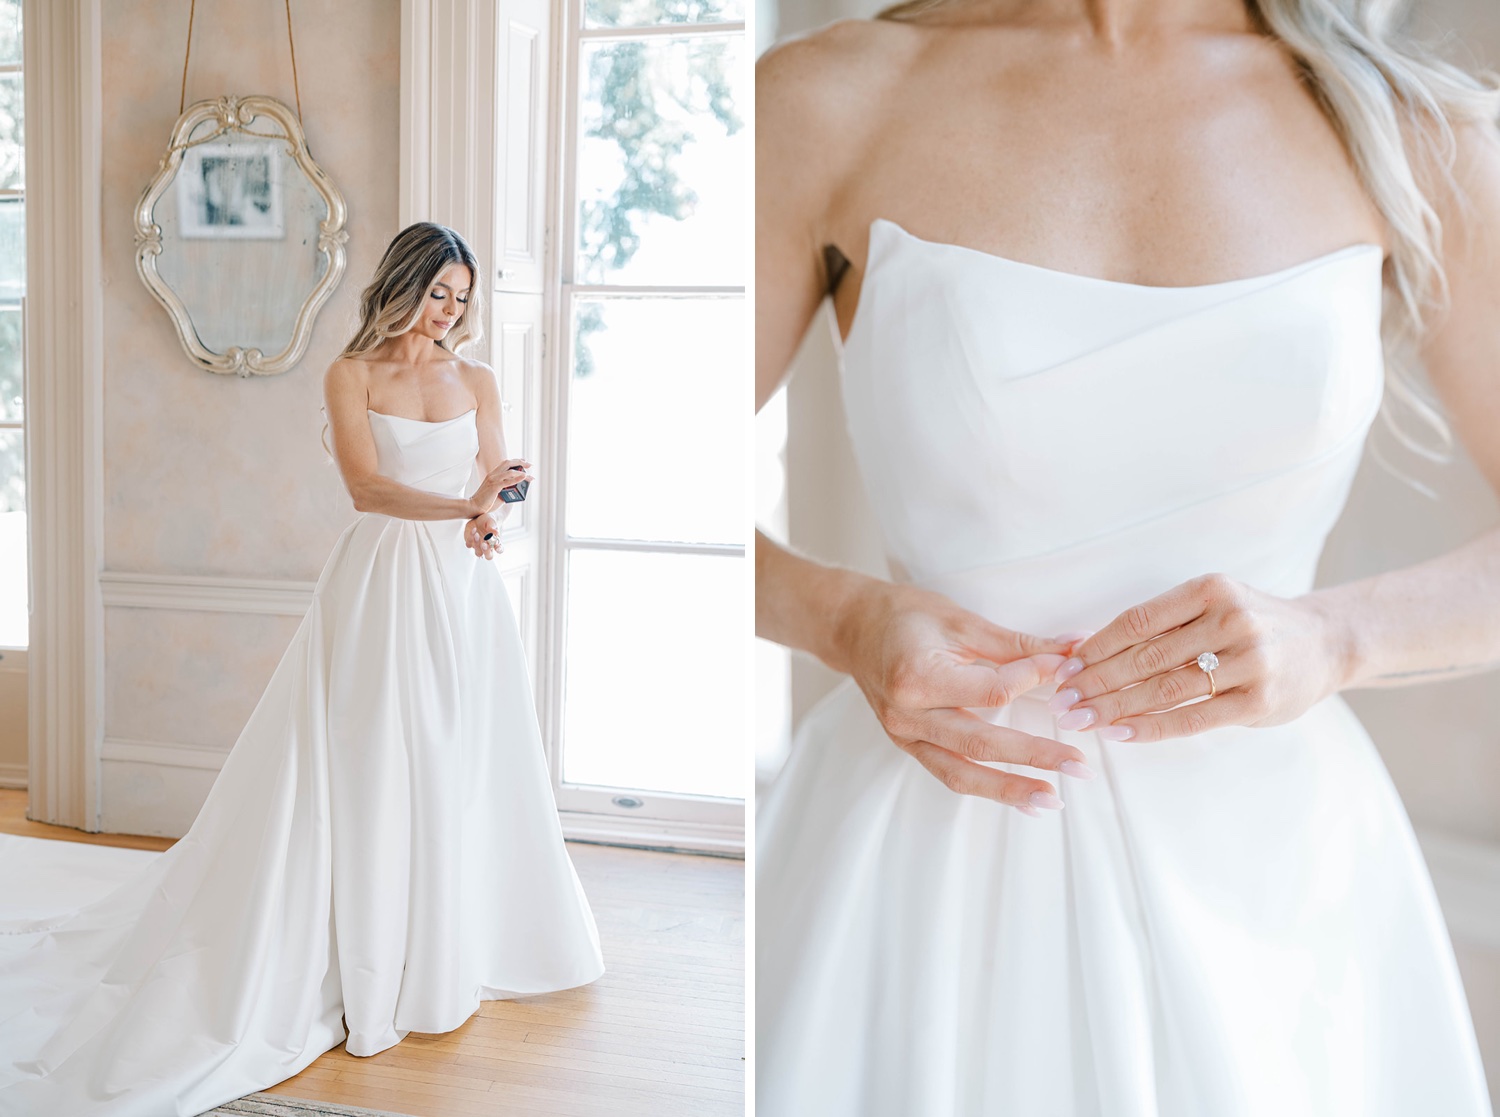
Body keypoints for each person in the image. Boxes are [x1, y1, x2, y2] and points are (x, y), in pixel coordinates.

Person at [754, 0, 1500, 1112]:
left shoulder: (1417, 129)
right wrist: (844, 617)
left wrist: (1336, 635)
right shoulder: (825, 98)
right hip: (931, 867)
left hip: (1279, 898)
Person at [0, 222, 604, 1115]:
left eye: (463, 299)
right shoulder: (351, 374)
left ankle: (443, 941)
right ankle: (361, 932)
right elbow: (366, 490)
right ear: (403, 285)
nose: (451, 313)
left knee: (453, 755)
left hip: (459, 590)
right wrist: (463, 503)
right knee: (366, 757)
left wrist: (490, 514)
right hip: (380, 582)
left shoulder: (477, 378)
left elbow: (489, 484)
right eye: (440, 293)